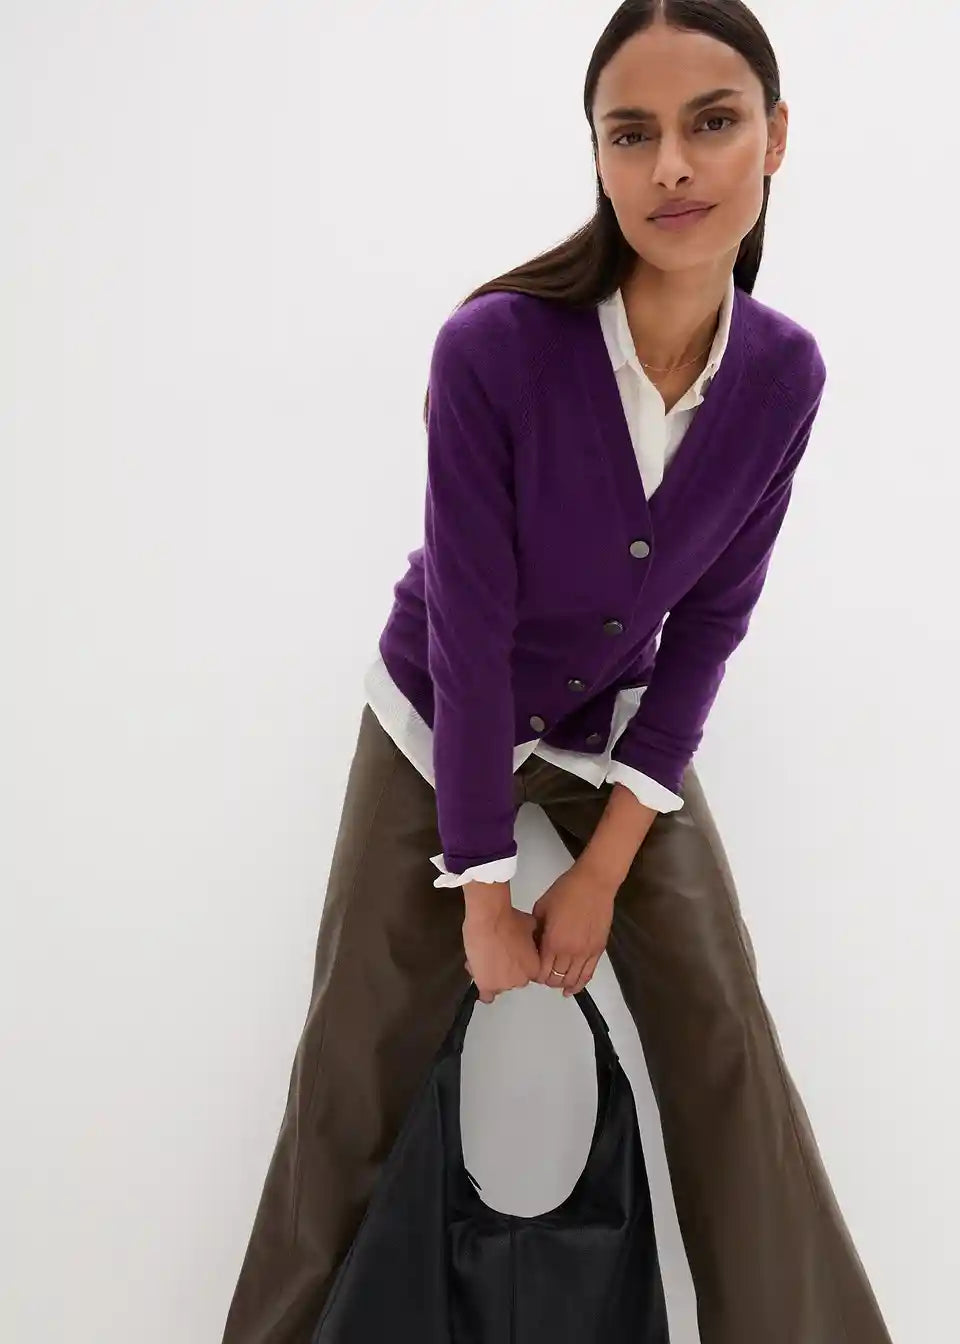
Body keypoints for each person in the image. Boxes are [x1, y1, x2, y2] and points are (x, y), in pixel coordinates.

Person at [221, 4, 895, 1342]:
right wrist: (485, 894)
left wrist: (599, 875)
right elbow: (469, 638)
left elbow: (709, 628)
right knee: (352, 1064)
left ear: (776, 137)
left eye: (713, 123)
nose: (672, 166)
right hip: (441, 715)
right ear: (597, 156)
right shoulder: (494, 351)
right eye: (631, 135)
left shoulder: (784, 375)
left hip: (614, 724)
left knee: (724, 1033)